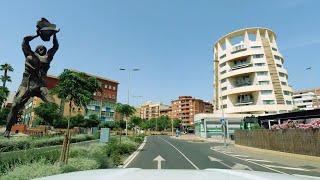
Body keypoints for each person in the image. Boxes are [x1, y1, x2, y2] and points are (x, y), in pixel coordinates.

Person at [4, 25, 59, 137]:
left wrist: (54, 35)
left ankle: (50, 126)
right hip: (26, 85)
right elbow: (25, 40)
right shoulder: (29, 55)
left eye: (43, 48)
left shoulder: (48, 57)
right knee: (15, 106)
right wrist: (38, 34)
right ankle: (8, 129)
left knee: (53, 105)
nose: (42, 49)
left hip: (40, 86)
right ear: (36, 50)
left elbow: (55, 47)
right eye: (39, 48)